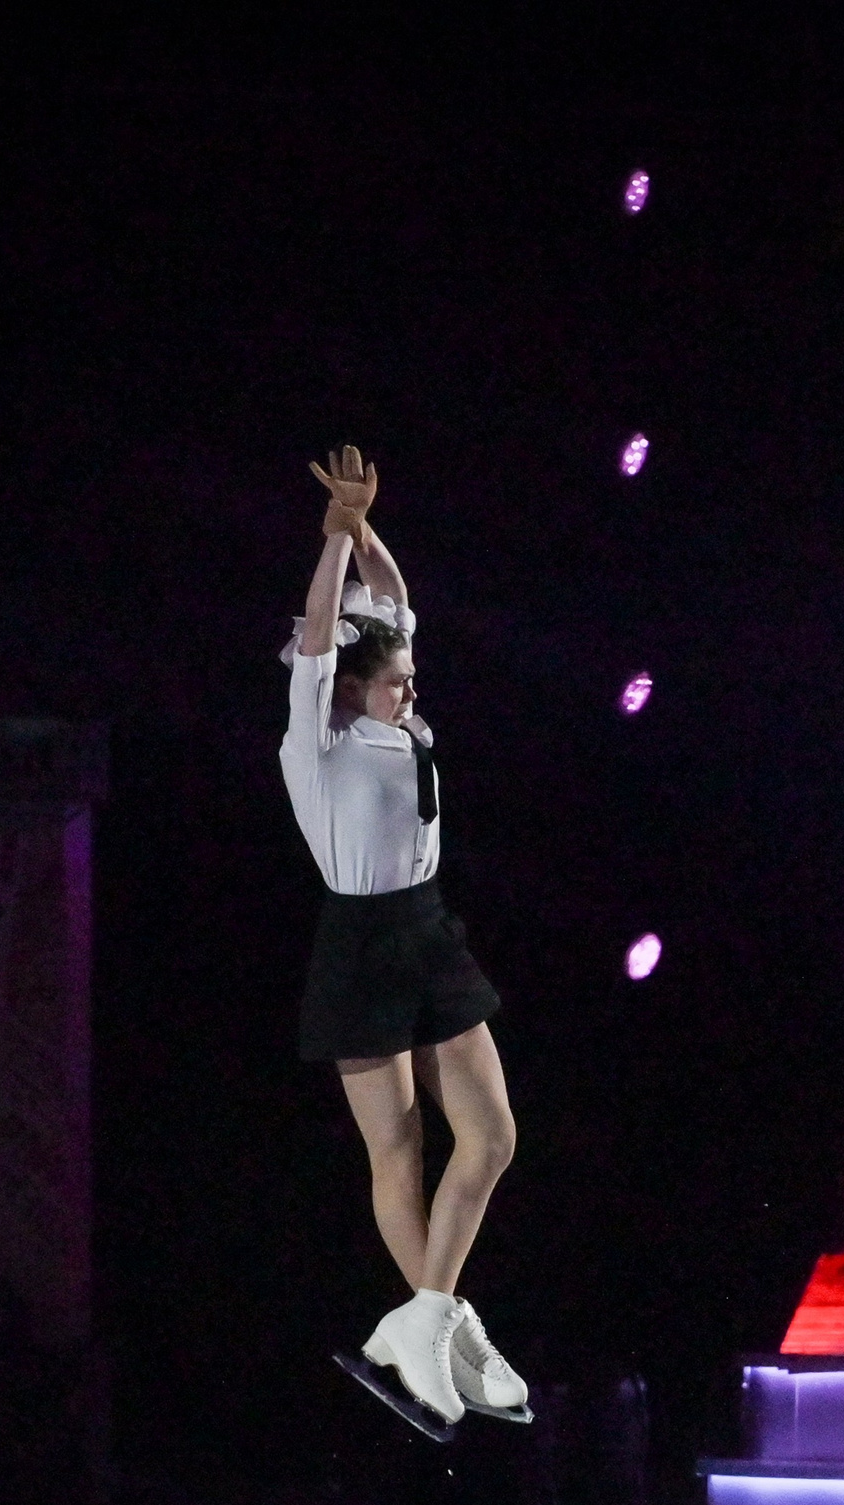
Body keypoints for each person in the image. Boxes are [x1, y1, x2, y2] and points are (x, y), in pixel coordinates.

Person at [281, 446, 528, 1434]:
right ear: (351, 691)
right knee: (401, 1146)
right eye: (395, 684)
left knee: (493, 1137)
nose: (410, 692)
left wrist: (362, 523)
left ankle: (429, 1317)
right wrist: (332, 541)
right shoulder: (316, 741)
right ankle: (434, 1325)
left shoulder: (396, 717)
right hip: (362, 941)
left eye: (411, 679)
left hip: (429, 929)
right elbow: (316, 636)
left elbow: (394, 596)